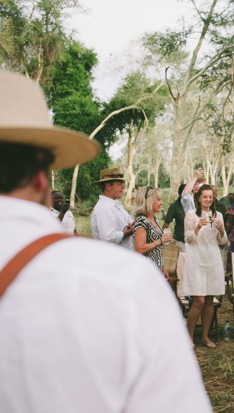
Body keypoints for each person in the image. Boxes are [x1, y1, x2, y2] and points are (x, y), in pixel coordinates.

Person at [0, 71, 211, 412]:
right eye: (116, 184)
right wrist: (129, 231)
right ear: (41, 176)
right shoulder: (120, 283)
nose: (120, 188)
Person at [182, 184, 227, 348]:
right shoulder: (191, 214)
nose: (208, 199)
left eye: (210, 197)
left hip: (213, 259)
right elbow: (188, 239)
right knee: (199, 300)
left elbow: (223, 242)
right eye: (205, 197)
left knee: (209, 299)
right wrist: (198, 226)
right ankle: (189, 336)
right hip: (197, 260)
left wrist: (222, 230)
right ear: (199, 198)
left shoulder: (218, 215)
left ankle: (205, 336)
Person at [132, 186, 173, 278]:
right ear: (148, 201)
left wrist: (162, 267)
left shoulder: (153, 218)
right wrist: (161, 240)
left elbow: (156, 251)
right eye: (158, 200)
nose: (161, 203)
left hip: (157, 270)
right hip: (147, 271)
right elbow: (139, 249)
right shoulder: (142, 221)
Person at [91, 167, 134, 249]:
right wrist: (127, 232)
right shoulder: (103, 208)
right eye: (119, 184)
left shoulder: (116, 205)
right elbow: (108, 238)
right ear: (108, 186)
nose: (123, 187)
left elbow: (129, 222)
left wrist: (132, 226)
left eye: (122, 184)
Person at [164, 183, 188, 249]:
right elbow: (166, 223)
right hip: (180, 241)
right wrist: (165, 239)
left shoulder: (194, 204)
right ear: (181, 194)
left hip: (193, 240)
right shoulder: (174, 206)